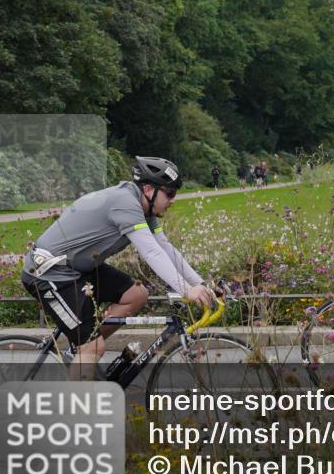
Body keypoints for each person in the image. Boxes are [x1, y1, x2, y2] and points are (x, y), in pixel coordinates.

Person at [20, 157, 213, 377]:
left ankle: (81, 348)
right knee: (92, 348)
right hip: (50, 274)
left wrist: (199, 283)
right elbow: (150, 251)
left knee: (137, 294)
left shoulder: (142, 207)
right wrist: (186, 290)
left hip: (78, 269)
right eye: (169, 193)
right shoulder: (125, 203)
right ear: (149, 189)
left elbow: (165, 247)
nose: (173, 200)